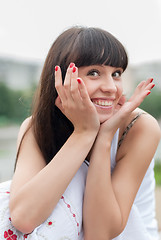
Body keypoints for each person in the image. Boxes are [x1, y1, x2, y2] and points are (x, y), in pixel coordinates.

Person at [0, 26, 160, 240]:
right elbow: (23, 218)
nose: (111, 87)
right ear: (61, 79)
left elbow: (99, 233)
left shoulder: (139, 127)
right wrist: (84, 134)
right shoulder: (36, 127)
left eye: (116, 74)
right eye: (94, 73)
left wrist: (104, 137)